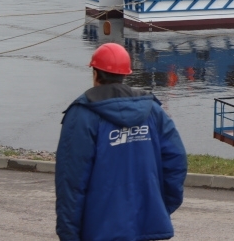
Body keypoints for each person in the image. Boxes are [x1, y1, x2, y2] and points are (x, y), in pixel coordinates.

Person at [55, 43, 187, 241]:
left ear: (95, 73)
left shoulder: (82, 115)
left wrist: (68, 234)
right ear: (126, 74)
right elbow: (176, 162)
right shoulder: (152, 111)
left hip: (98, 230)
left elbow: (71, 181)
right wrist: (158, 207)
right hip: (145, 227)